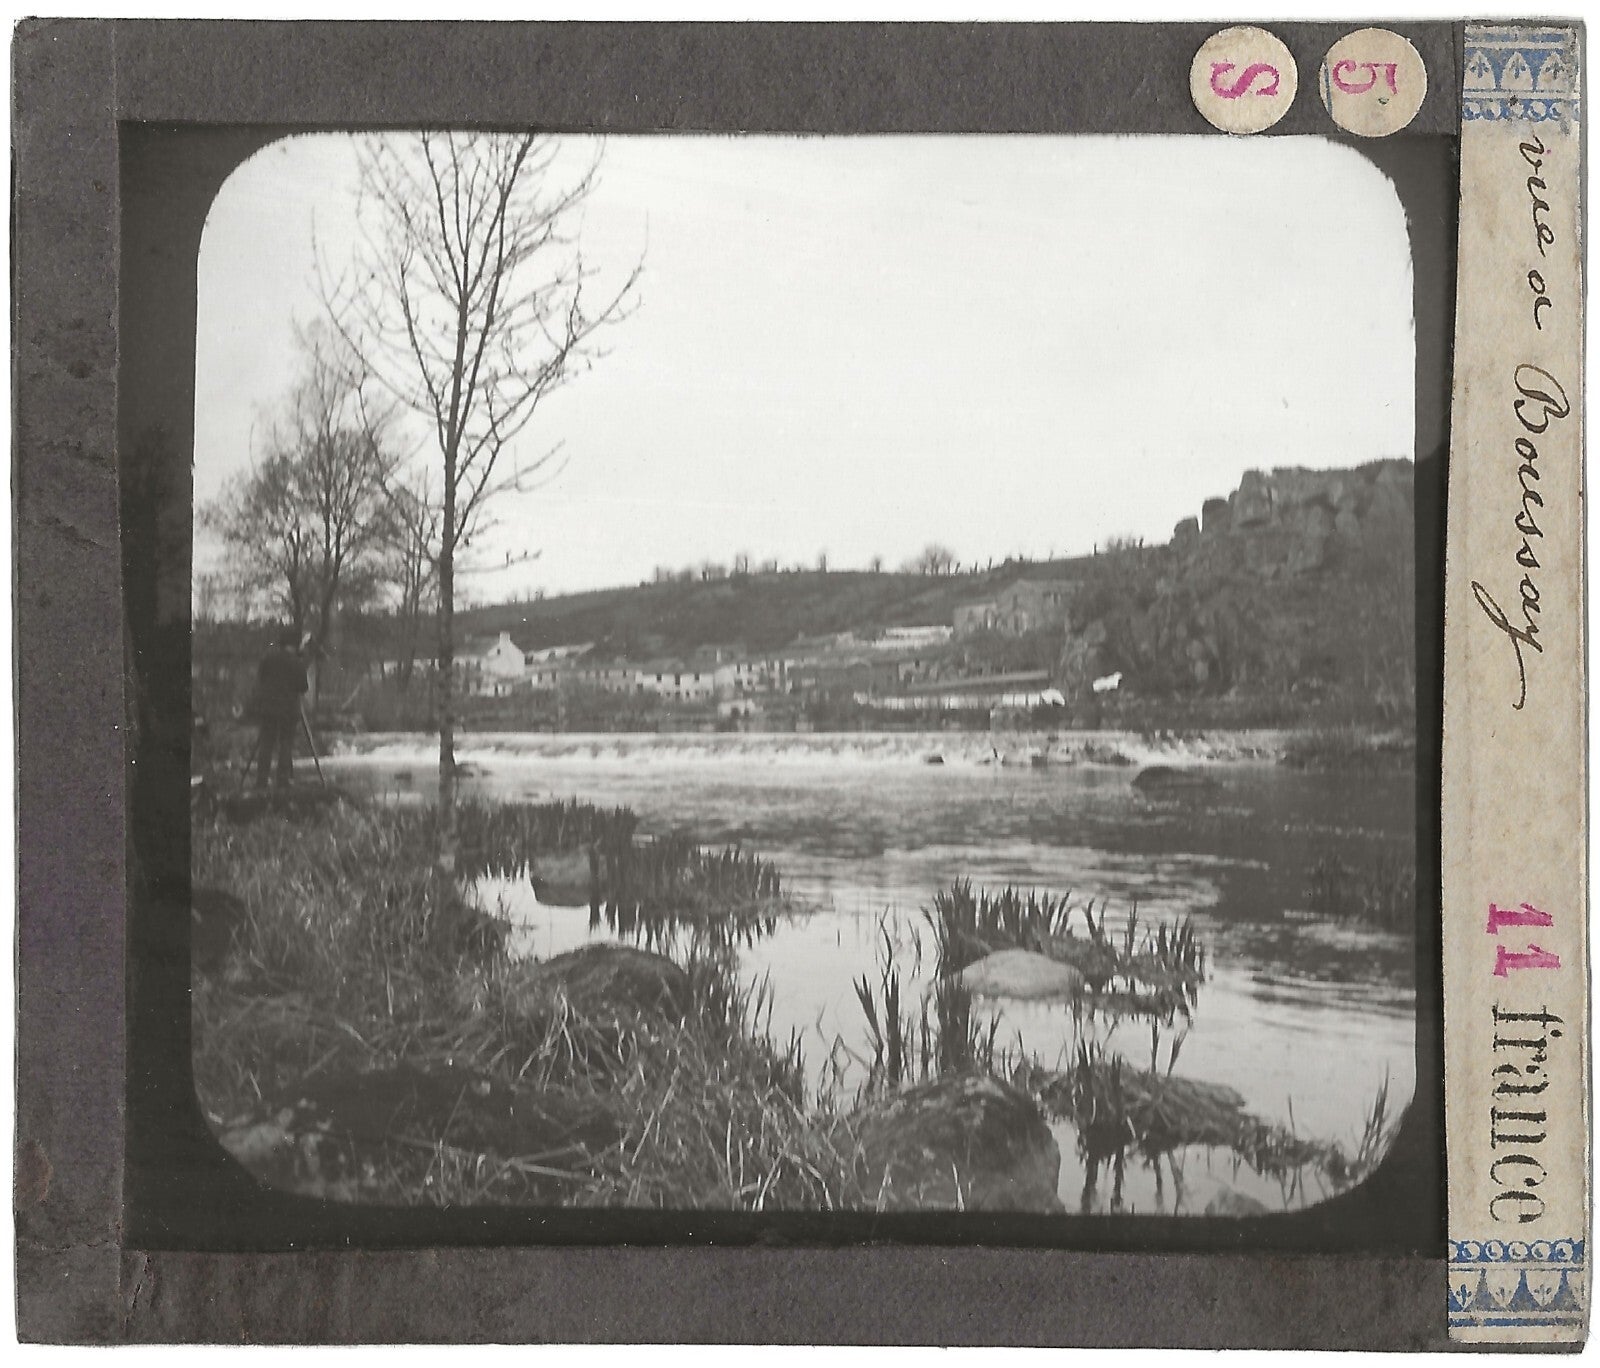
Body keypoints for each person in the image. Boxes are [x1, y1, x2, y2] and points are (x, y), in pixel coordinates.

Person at [251, 629, 308, 790]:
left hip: (268, 708)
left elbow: (260, 679)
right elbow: (303, 687)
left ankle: (261, 780)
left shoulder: (268, 658)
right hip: (288, 710)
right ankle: (282, 780)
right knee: (286, 743)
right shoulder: (297, 663)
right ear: (295, 645)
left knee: (266, 743)